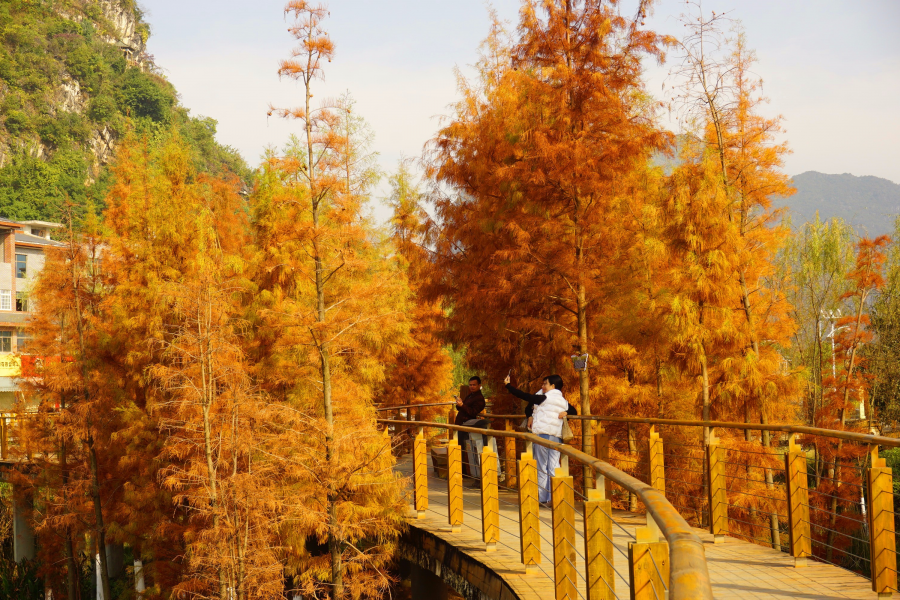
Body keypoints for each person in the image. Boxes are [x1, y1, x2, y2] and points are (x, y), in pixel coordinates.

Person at [504, 374, 575, 506]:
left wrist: (508, 385)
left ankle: (542, 498)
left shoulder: (544, 397)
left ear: (552, 386)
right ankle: (556, 497)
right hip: (556, 436)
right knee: (554, 466)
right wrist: (567, 413)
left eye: (545, 384)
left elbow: (524, 396)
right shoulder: (562, 400)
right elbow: (574, 411)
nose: (542, 386)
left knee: (542, 466)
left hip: (543, 435)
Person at [454, 377, 486, 483]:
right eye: (470, 385)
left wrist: (463, 405)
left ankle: (464, 472)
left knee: (464, 449)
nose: (472, 387)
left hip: (466, 425)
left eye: (474, 385)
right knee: (459, 448)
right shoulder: (470, 395)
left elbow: (472, 412)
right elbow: (463, 409)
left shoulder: (480, 399)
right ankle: (461, 471)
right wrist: (459, 404)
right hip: (460, 424)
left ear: (479, 385)